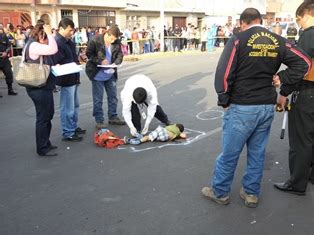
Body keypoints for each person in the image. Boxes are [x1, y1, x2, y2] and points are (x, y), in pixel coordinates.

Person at [201, 8, 310, 208]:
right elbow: (304, 62)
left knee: (229, 153)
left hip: (242, 106)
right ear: (260, 20)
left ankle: (220, 191)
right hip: (266, 106)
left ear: (243, 22)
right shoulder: (277, 40)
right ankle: (251, 193)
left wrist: (224, 100)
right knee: (257, 152)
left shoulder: (238, 40)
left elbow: (224, 74)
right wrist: (282, 79)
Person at [274, 0, 314, 195]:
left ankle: (297, 183)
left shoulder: (309, 35)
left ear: (305, 14)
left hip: (307, 91)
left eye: (299, 20)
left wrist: (283, 89)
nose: (299, 25)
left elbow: (300, 67)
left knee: (300, 139)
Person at [24, 22, 58, 156]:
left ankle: (46, 142)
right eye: (46, 39)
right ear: (41, 36)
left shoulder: (32, 43)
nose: (48, 42)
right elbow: (53, 49)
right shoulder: (33, 45)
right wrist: (50, 33)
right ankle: (42, 148)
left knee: (47, 115)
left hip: (41, 86)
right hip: (38, 88)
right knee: (43, 117)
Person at [52, 18, 86, 142]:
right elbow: (57, 62)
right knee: (67, 107)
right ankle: (68, 132)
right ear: (61, 28)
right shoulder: (56, 42)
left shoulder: (69, 42)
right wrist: (72, 64)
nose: (72, 33)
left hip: (74, 77)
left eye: (73, 30)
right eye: (70, 30)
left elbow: (73, 58)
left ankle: (73, 126)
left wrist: (78, 62)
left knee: (75, 106)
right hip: (65, 79)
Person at [85, 25, 126, 129]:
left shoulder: (116, 42)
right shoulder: (95, 40)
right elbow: (88, 55)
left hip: (110, 73)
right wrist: (100, 60)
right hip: (97, 73)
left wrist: (115, 63)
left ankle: (113, 116)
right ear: (107, 34)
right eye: (111, 38)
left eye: (115, 39)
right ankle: (99, 120)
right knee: (98, 99)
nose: (113, 41)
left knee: (113, 97)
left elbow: (120, 55)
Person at [0, 23, 18, 96]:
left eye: (1, 28)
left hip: (5, 58)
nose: (1, 29)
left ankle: (10, 89)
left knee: (9, 73)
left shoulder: (4, 36)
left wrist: (6, 52)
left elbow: (8, 45)